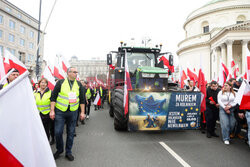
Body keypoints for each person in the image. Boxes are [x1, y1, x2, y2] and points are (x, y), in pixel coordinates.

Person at [50, 67, 86, 161]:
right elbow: (53, 97)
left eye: (76, 72)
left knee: (70, 133)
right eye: (74, 72)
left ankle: (68, 152)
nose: (76, 74)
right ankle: (59, 149)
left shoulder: (79, 84)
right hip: (60, 111)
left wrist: (82, 112)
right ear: (68, 73)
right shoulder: (60, 83)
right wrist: (52, 110)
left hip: (73, 112)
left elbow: (82, 100)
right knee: (58, 132)